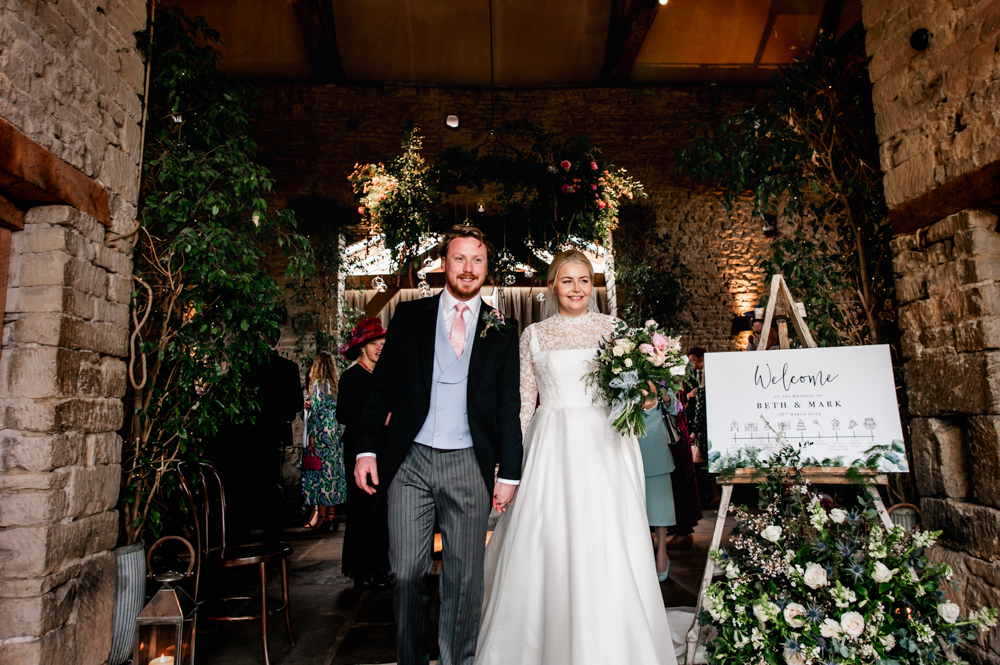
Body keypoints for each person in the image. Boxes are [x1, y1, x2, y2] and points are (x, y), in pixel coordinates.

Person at [475, 250, 675, 665]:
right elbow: (523, 405)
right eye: (567, 280)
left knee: (608, 535)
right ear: (553, 285)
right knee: (549, 536)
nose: (577, 288)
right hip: (551, 447)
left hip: (607, 446)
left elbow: (643, 393)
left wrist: (647, 395)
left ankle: (614, 640)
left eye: (584, 280)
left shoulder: (615, 330)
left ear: (592, 285)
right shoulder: (534, 335)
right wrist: (509, 465)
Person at [353, 225, 523, 665]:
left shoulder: (503, 328)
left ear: (487, 267)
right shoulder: (410, 315)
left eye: (477, 260)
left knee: (464, 579)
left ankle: (456, 661)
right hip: (410, 461)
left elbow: (509, 404)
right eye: (459, 258)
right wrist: (366, 449)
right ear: (444, 264)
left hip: (469, 462)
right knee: (406, 573)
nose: (468, 268)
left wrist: (509, 472)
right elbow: (380, 388)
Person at [337, 318, 391, 587]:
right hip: (359, 450)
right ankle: (363, 569)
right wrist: (381, 419)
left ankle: (382, 566)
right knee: (363, 509)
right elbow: (343, 415)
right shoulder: (351, 377)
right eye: (374, 343)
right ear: (362, 347)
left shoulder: (386, 376)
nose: (380, 347)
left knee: (382, 509)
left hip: (385, 448)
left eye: (383, 343)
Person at [301, 351, 346, 531]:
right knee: (333, 474)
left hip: (321, 434)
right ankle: (332, 514)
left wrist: (312, 436)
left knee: (321, 476)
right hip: (335, 432)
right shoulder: (335, 385)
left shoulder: (319, 385)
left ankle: (322, 517)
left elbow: (317, 414)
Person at [638, 394, 678, 581]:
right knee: (635, 506)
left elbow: (675, 408)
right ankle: (643, 553)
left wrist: (664, 396)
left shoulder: (660, 378)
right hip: (630, 443)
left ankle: (662, 551)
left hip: (656, 445)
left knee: (660, 506)